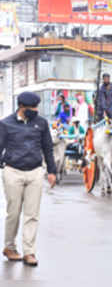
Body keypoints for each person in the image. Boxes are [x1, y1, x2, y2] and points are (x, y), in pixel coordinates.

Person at [0, 92, 56, 267]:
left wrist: (52, 171)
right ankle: (9, 247)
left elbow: (48, 148)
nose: (36, 110)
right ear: (22, 107)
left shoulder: (41, 123)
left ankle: (29, 252)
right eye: (33, 108)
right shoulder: (6, 124)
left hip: (35, 172)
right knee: (14, 212)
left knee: (32, 214)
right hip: (12, 172)